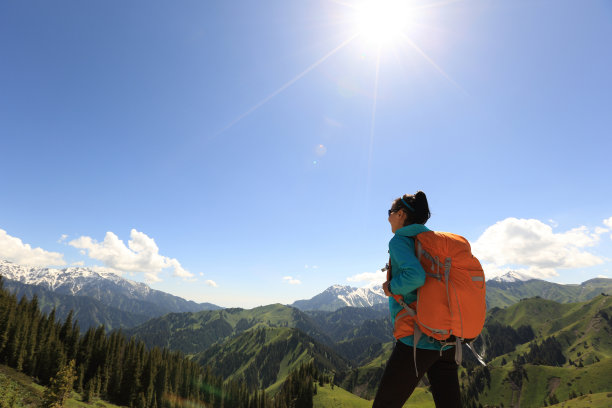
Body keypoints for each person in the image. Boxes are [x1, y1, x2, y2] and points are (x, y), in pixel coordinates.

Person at [372, 191, 461, 408]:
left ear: (401, 214)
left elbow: (416, 276)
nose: (388, 217)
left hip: (417, 337)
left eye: (390, 212)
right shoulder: (436, 241)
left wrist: (391, 287)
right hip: (447, 338)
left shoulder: (400, 240)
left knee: (385, 404)